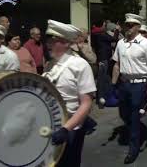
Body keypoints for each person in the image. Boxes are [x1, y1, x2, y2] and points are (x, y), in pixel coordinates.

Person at [42, 20, 97, 167]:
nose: (48, 44)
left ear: (66, 43)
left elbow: (86, 103)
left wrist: (66, 129)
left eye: (52, 41)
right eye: (47, 40)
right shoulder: (49, 65)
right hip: (49, 126)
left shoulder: (80, 65)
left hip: (70, 129)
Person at [111, 13, 147, 164]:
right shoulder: (120, 43)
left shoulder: (146, 44)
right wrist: (113, 84)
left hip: (139, 84)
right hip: (124, 84)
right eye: (126, 25)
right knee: (124, 114)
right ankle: (136, 131)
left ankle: (134, 147)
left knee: (134, 116)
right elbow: (116, 65)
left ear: (138, 27)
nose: (128, 28)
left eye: (131, 25)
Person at [92, 21, 120, 108]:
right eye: (104, 25)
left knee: (106, 79)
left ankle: (105, 98)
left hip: (104, 59)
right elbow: (114, 39)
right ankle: (101, 100)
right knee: (102, 81)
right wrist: (117, 30)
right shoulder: (100, 34)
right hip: (103, 59)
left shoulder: (99, 34)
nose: (105, 27)